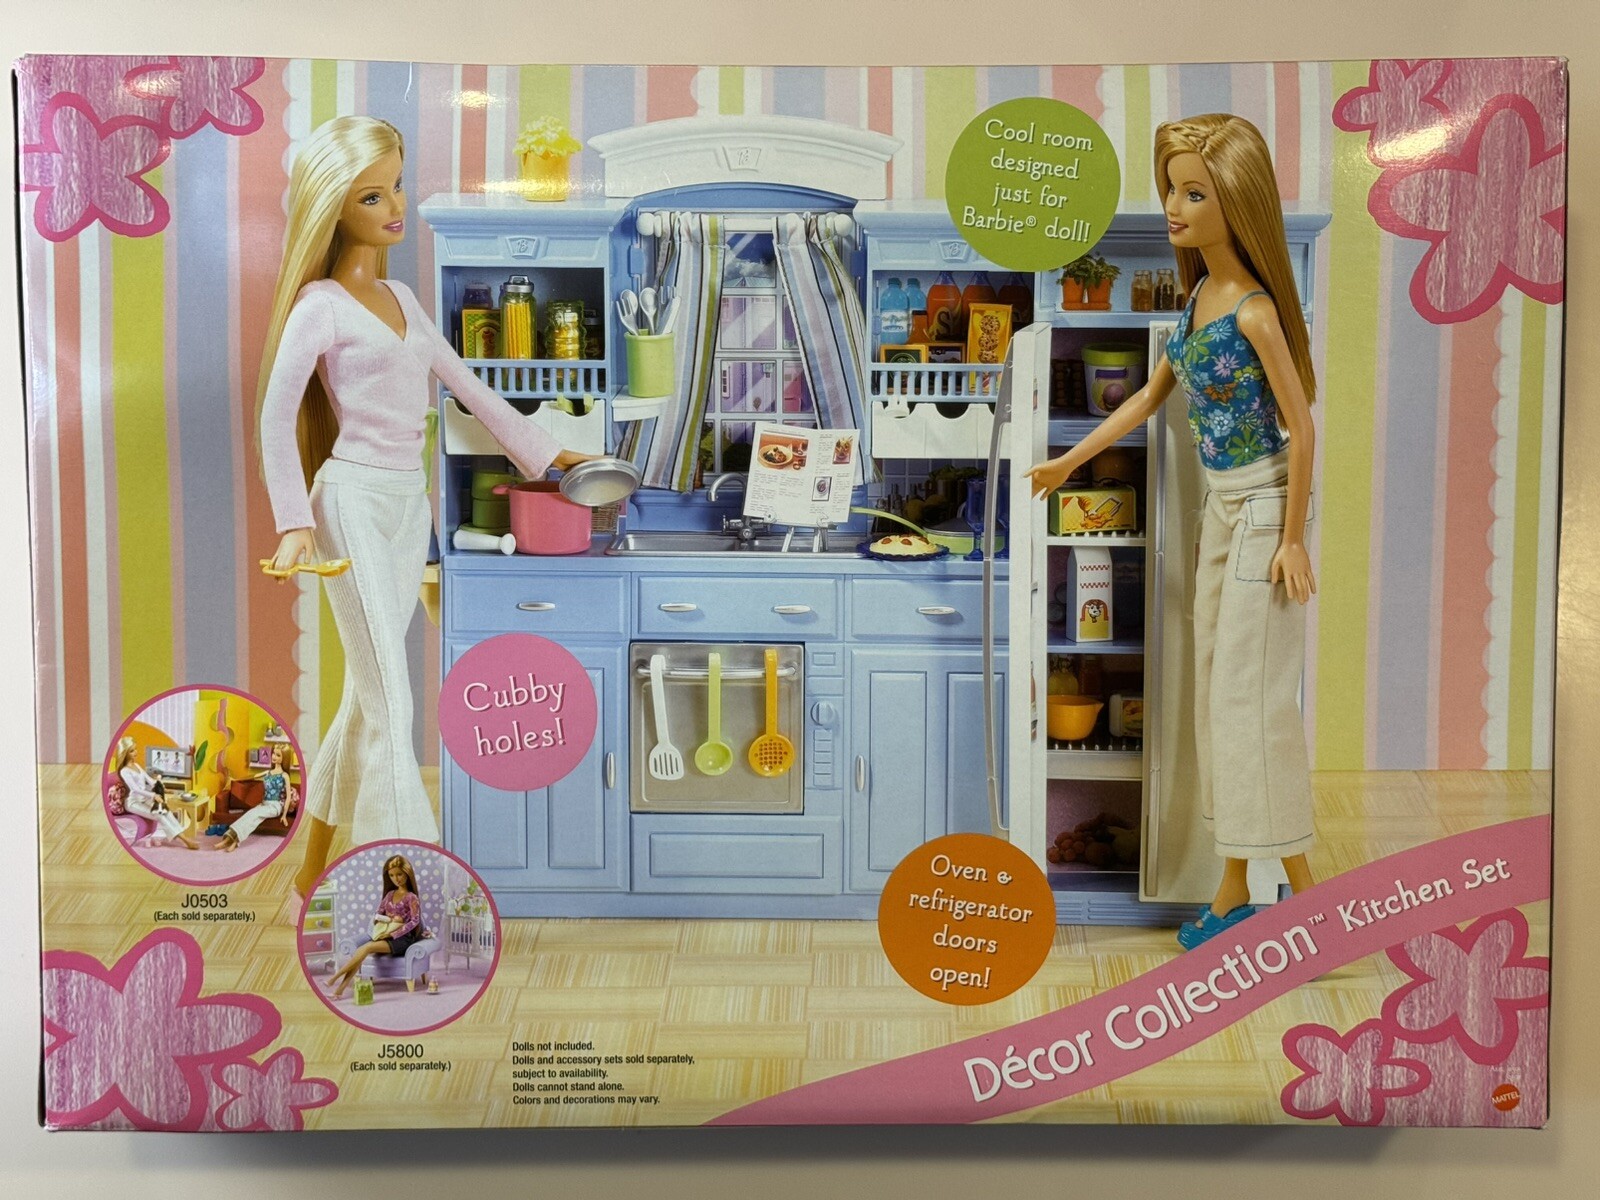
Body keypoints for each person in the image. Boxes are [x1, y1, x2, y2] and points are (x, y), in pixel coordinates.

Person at [255, 116, 596, 898]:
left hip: (408, 505)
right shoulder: (319, 305)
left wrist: (550, 454)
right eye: (371, 195)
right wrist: (295, 522)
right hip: (349, 503)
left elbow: (471, 389)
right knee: (394, 699)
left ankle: (314, 871)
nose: (395, 206)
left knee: (366, 697)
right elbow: (277, 416)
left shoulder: (402, 298)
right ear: (333, 207)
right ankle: (408, 895)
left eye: (397, 186)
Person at [1025, 113, 1319, 950]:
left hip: (1264, 510)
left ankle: (1307, 898)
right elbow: (1147, 401)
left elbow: (1303, 427)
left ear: (1237, 202)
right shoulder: (1196, 300)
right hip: (1220, 511)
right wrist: (1065, 462)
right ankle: (1237, 885)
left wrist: (1293, 536)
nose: (1173, 207)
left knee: (1252, 705)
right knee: (1214, 701)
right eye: (1171, 189)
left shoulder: (1255, 313)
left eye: (1194, 192)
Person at [326, 854, 426, 1000]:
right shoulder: (389, 894)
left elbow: (415, 921)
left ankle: (334, 978)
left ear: (407, 874)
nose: (396, 879)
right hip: (385, 934)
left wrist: (394, 933)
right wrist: (383, 919)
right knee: (361, 953)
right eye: (392, 875)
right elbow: (378, 912)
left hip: (402, 939)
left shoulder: (412, 897)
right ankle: (339, 990)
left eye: (399, 874)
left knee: (366, 948)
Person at [111, 736, 198, 850]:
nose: (135, 752)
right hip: (133, 803)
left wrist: (162, 787)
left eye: (135, 749)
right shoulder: (125, 771)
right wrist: (154, 795)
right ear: (125, 753)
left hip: (144, 799)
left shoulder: (136, 766)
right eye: (132, 751)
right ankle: (186, 841)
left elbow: (150, 781)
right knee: (159, 815)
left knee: (166, 811)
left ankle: (184, 836)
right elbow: (135, 789)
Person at [218, 743, 295, 852]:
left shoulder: (284, 776)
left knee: (254, 814)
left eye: (278, 755)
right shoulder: (268, 773)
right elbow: (252, 777)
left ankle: (233, 841)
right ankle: (230, 839)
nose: (274, 757)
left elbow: (288, 797)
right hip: (264, 804)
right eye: (273, 753)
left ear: (284, 758)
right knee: (250, 816)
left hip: (275, 806)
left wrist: (284, 815)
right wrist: (235, 780)